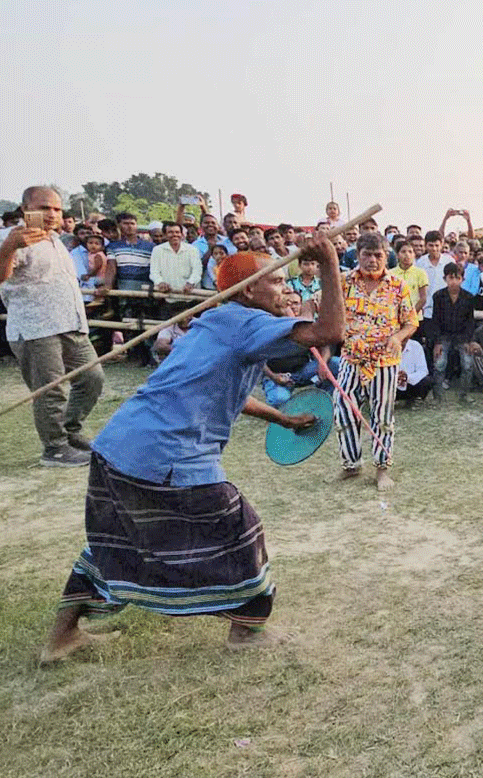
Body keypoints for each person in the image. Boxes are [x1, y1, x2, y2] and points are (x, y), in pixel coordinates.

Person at [39, 234, 345, 664]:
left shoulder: (218, 322)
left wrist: (283, 419)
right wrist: (330, 263)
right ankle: (245, 632)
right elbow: (331, 332)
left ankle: (60, 638)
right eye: (276, 282)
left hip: (120, 446)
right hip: (165, 454)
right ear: (249, 289)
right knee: (240, 528)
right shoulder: (245, 323)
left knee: (116, 541)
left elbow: (219, 390)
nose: (285, 290)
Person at [0, 186, 105, 467]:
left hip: (71, 323)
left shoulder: (58, 241)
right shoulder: (12, 238)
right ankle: (55, 448)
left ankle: (70, 431)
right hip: (36, 328)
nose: (51, 214)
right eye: (44, 208)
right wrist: (9, 248)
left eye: (57, 209)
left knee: (92, 378)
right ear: (25, 209)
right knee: (51, 390)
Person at [333, 233, 420, 491]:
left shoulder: (397, 285)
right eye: (366, 255)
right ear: (357, 255)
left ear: (386, 256)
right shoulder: (344, 281)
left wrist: (398, 336)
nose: (372, 260)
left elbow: (411, 322)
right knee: (343, 410)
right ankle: (351, 465)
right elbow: (316, 302)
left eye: (378, 255)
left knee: (382, 415)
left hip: (384, 362)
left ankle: (382, 469)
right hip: (351, 358)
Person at [429, 262, 481, 404]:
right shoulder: (438, 296)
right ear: (445, 278)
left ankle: (464, 395)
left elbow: (470, 322)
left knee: (468, 363)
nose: (453, 281)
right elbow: (436, 320)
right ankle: (438, 396)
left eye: (457, 278)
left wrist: (468, 341)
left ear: (462, 279)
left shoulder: (468, 297)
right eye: (450, 278)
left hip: (462, 336)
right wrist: (437, 342)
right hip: (444, 335)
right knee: (439, 363)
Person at [149, 221, 202, 294]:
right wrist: (160, 282)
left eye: (177, 232)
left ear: (182, 234)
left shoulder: (192, 250)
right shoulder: (157, 250)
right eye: (170, 232)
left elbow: (197, 270)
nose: (175, 235)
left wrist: (191, 283)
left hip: (190, 295)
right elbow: (154, 272)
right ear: (165, 235)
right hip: (166, 295)